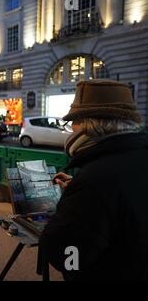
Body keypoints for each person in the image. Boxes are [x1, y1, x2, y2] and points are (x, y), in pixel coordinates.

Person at [39, 80, 148, 281]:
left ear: (89, 124)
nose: (70, 128)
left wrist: (69, 204)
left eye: (72, 121)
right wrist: (78, 192)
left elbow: (66, 256)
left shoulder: (95, 179)